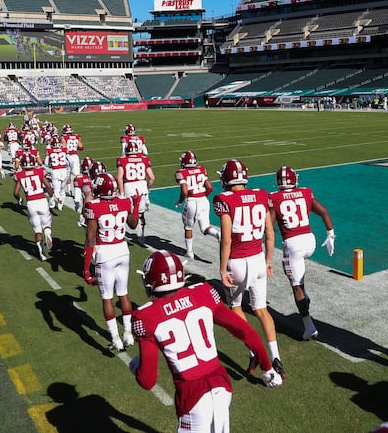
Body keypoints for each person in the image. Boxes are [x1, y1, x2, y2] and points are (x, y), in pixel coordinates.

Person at [130, 250, 282, 433]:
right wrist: (267, 368)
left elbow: (147, 381)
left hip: (191, 395)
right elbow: (245, 330)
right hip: (222, 386)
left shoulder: (145, 316)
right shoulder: (203, 292)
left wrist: (135, 366)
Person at [213, 158, 285, 379]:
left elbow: (226, 240)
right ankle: (276, 357)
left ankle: (254, 351)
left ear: (226, 179)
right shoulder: (261, 195)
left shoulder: (224, 199)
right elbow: (270, 234)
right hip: (258, 259)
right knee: (261, 309)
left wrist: (222, 268)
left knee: (236, 307)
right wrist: (269, 260)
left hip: (237, 261)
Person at [268, 165, 335, 340]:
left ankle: (309, 327)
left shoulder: (274, 197)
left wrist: (271, 230)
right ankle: (304, 297)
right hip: (309, 240)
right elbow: (324, 212)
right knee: (299, 282)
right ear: (294, 179)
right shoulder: (305, 192)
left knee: (296, 288)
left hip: (293, 245)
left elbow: (270, 224)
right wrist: (330, 235)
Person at [82, 172, 140, 352]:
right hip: (123, 250)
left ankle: (115, 338)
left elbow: (90, 238)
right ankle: (129, 334)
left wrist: (85, 268)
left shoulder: (93, 206)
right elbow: (133, 224)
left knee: (107, 298)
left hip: (105, 253)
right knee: (123, 293)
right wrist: (136, 206)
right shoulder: (124, 202)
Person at [173, 150, 220, 259]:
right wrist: (202, 196)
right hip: (203, 200)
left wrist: (179, 202)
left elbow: (184, 191)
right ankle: (217, 234)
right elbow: (210, 187)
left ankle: (189, 252)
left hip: (192, 202)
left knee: (188, 228)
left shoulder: (181, 173)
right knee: (205, 228)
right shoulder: (202, 170)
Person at [13, 153, 54, 261]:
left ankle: (42, 253)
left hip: (31, 203)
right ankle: (48, 234)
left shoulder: (20, 175)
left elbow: (16, 192)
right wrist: (51, 196)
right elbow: (48, 185)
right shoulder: (39, 171)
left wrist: (19, 199)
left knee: (37, 230)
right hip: (41, 200)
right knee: (46, 225)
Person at [117, 139, 155, 244]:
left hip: (129, 186)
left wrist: (121, 191)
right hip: (142, 186)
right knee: (141, 213)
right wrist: (147, 188)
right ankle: (142, 236)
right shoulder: (144, 160)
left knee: (125, 211)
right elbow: (152, 178)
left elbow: (119, 177)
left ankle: (120, 233)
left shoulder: (122, 160)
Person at [45, 136, 69, 211]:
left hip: (55, 171)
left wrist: (49, 163)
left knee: (56, 191)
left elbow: (46, 163)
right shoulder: (64, 150)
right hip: (64, 170)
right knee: (62, 190)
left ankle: (59, 199)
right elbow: (67, 162)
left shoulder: (50, 151)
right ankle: (60, 206)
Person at [61, 124, 83, 196]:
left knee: (68, 173)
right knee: (77, 175)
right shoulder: (76, 136)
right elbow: (81, 147)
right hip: (75, 156)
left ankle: (69, 189)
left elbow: (64, 148)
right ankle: (78, 191)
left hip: (68, 156)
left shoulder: (64, 137)